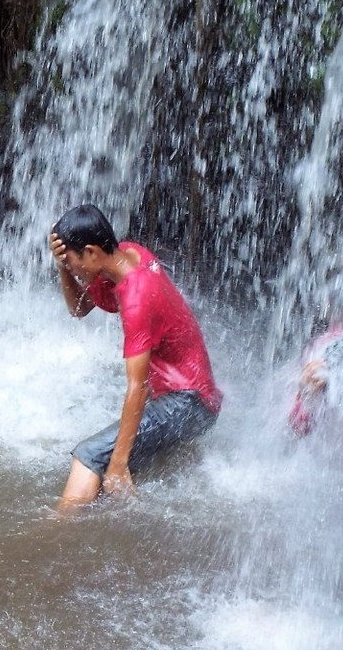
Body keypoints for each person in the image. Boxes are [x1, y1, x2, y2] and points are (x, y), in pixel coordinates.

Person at [48, 204, 222, 512]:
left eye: (72, 260)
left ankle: (55, 530)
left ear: (90, 253)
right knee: (111, 463)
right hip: (195, 395)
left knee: (90, 456)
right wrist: (63, 266)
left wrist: (117, 463)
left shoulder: (138, 297)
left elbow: (138, 387)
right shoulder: (126, 255)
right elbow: (79, 309)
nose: (73, 268)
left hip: (190, 403)